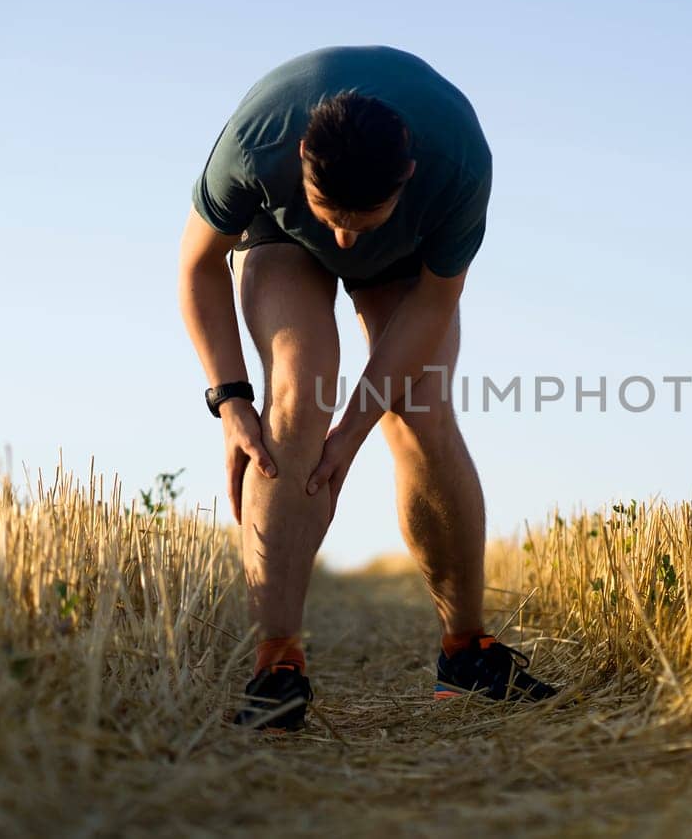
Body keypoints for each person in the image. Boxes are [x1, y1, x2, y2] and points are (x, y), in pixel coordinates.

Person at [177, 46, 557, 731]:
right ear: (300, 160)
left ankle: (466, 653)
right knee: (295, 395)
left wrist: (353, 431)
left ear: (407, 176)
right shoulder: (253, 144)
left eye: (363, 222)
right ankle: (276, 664)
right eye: (334, 218)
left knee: (419, 412)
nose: (346, 244)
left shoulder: (459, 166)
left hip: (409, 256)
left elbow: (434, 304)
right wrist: (230, 398)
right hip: (281, 236)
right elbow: (198, 266)